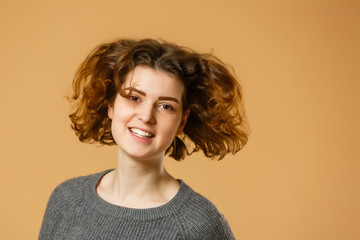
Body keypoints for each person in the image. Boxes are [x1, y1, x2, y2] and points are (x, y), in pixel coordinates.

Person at [39, 38, 249, 239]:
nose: (146, 116)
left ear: (182, 122)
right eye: (134, 98)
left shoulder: (199, 225)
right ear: (110, 105)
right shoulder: (66, 200)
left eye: (166, 106)